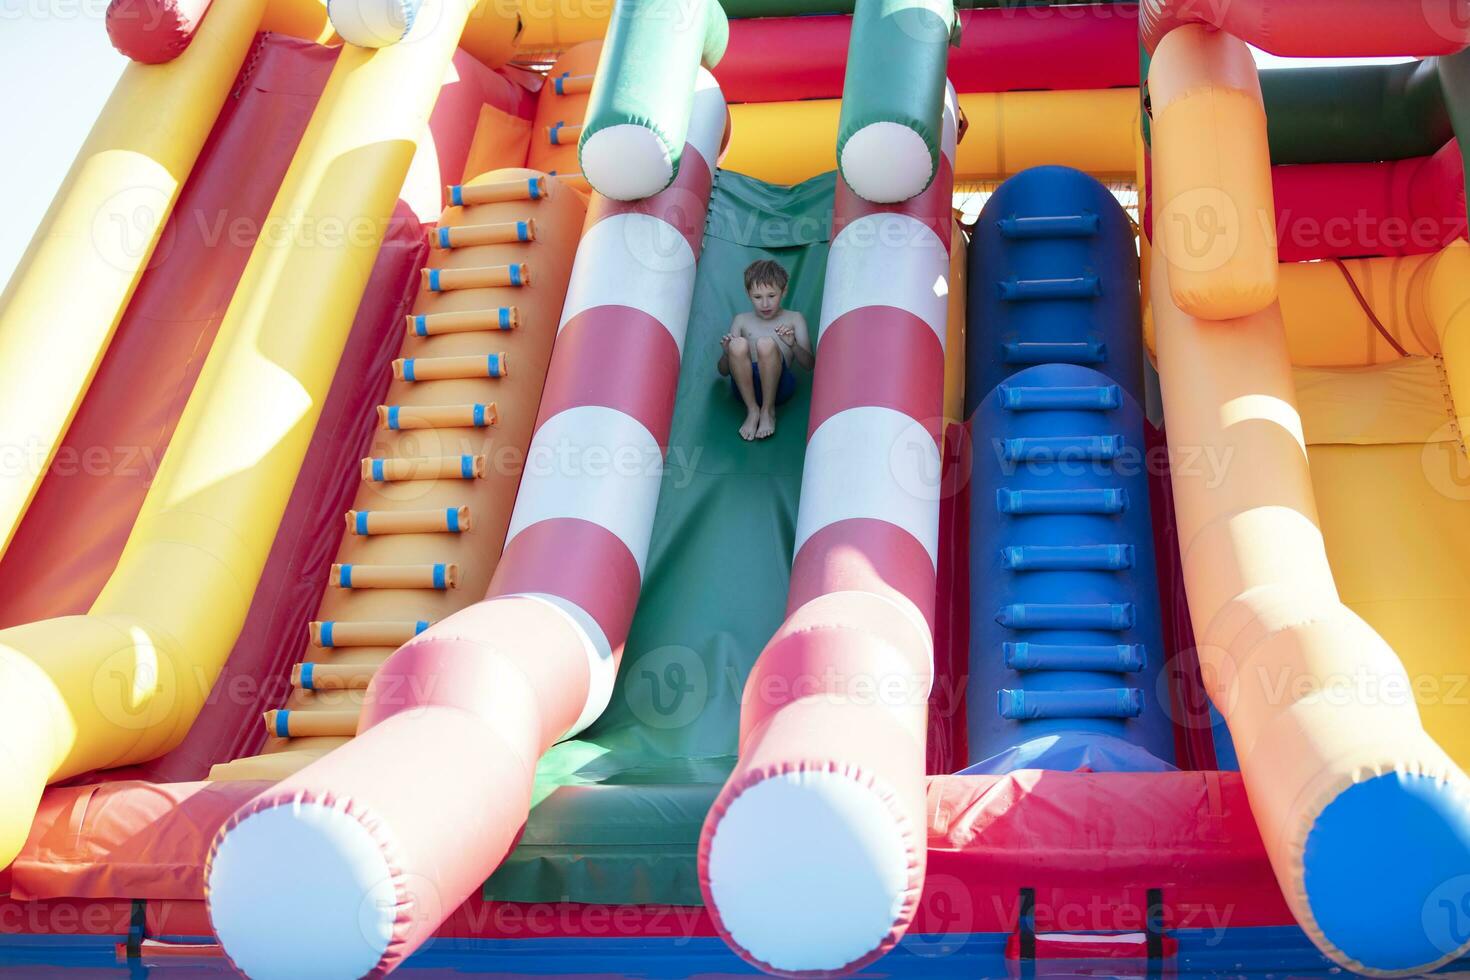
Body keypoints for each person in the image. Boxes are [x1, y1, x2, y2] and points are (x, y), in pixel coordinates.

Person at [717, 259, 815, 440]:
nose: (765, 304)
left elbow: (809, 364)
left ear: (784, 291)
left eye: (771, 296)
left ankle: (768, 411)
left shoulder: (794, 319)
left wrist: (792, 344)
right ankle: (753, 410)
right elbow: (723, 372)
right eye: (757, 297)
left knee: (766, 343)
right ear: (748, 294)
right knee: (737, 344)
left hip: (779, 386)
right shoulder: (741, 320)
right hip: (745, 388)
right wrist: (727, 352)